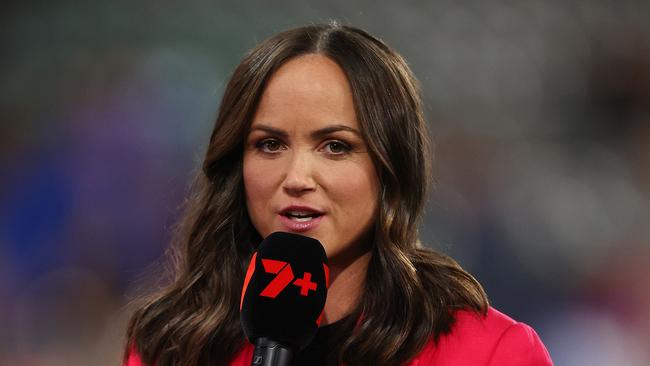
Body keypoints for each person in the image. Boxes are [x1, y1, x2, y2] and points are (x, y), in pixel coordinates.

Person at [123, 23, 553, 366]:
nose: (297, 177)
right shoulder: (172, 346)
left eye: (335, 146)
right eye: (270, 145)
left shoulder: (491, 354)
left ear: (391, 168)